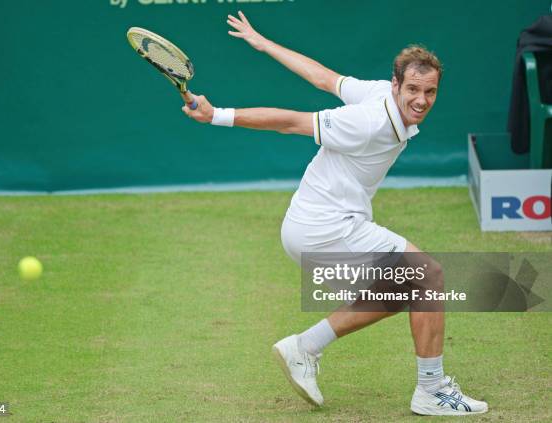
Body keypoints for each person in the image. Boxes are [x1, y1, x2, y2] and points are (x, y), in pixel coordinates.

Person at [182, 11, 488, 416]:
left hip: (312, 224)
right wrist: (217, 114)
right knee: (427, 274)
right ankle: (431, 391)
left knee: (401, 290)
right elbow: (290, 123)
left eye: (430, 92)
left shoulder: (380, 92)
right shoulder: (368, 122)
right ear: (396, 85)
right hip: (324, 227)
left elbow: (324, 78)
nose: (421, 100)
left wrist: (264, 42)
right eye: (413, 89)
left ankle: (304, 347)